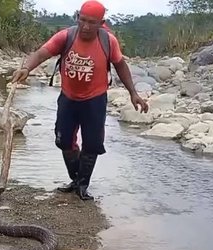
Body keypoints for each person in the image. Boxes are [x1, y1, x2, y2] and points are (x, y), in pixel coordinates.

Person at [11, 0, 149, 201]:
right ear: (77, 17)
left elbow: (120, 65)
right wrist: (26, 68)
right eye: (82, 20)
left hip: (95, 100)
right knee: (64, 140)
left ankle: (82, 185)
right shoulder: (66, 36)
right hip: (68, 98)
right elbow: (41, 53)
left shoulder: (108, 41)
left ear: (101, 22)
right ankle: (75, 180)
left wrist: (133, 93)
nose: (85, 26)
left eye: (91, 22)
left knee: (92, 144)